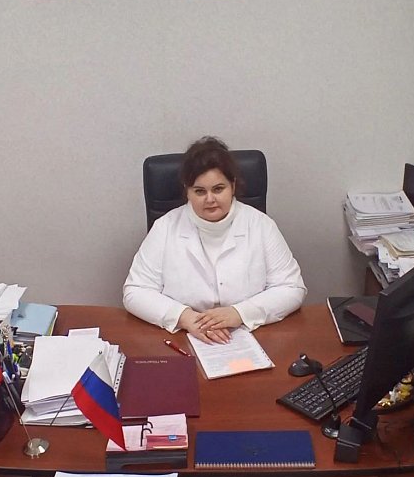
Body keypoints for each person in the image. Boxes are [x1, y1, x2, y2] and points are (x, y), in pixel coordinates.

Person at [123, 137, 306, 344]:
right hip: (183, 338)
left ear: (232, 186)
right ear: (187, 191)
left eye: (218, 189)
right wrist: (185, 317)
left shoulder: (261, 225)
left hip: (250, 335)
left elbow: (292, 288)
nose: (210, 199)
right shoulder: (165, 228)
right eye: (199, 191)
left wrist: (240, 312)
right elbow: (135, 291)